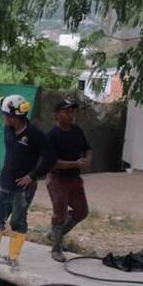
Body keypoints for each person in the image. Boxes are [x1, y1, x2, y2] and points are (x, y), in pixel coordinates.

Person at [0, 95, 55, 267]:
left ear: (14, 117)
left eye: (5, 115)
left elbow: (50, 157)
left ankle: (13, 258)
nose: (3, 117)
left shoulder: (35, 135)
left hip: (23, 189)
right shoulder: (8, 129)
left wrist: (33, 175)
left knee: (17, 222)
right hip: (4, 183)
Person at [46, 100, 92, 262]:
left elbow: (87, 148)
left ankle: (55, 235)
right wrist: (75, 163)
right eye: (66, 112)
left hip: (74, 178)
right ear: (56, 115)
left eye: (72, 112)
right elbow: (51, 162)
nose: (71, 115)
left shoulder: (77, 130)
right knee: (60, 213)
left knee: (82, 211)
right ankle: (56, 248)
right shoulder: (51, 135)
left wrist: (87, 159)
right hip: (58, 179)